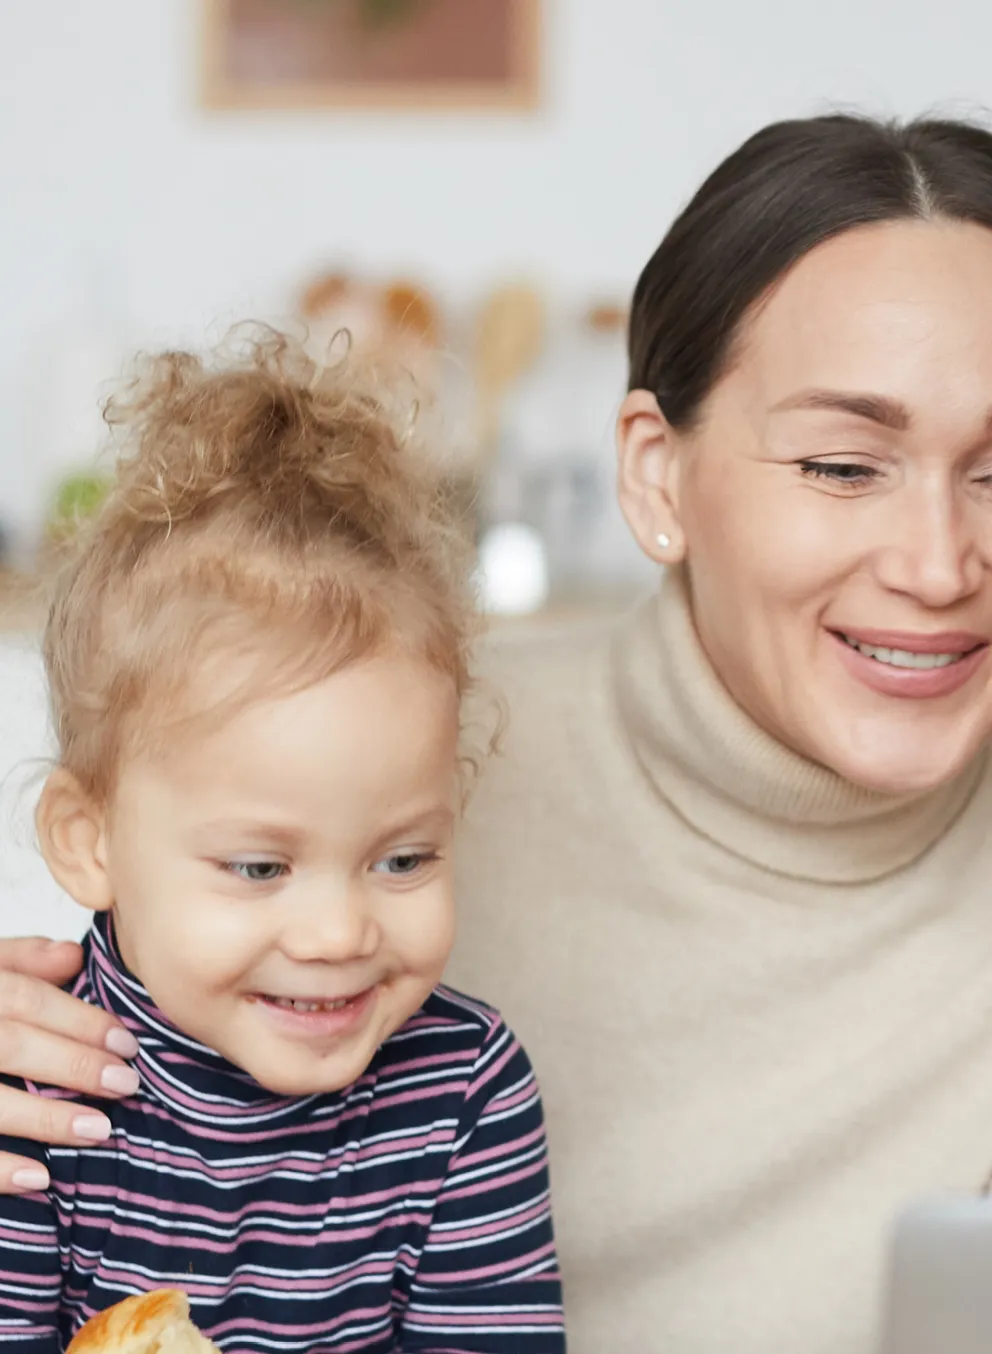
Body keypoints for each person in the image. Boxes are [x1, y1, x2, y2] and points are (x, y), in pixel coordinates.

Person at [2, 111, 992, 1354]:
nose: (942, 562)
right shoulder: (381, 724)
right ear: (652, 474)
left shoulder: (461, 1079)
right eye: (844, 466)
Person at [0, 334, 564, 1353]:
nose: (339, 930)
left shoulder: (462, 1095)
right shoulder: (33, 1098)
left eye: (401, 859)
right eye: (259, 867)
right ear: (90, 841)